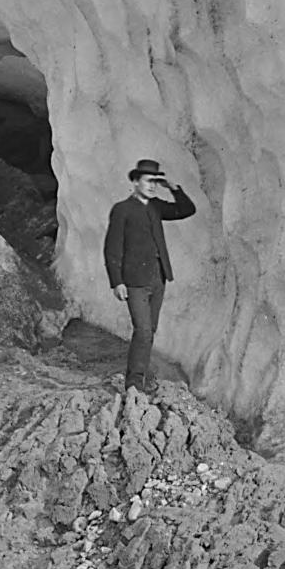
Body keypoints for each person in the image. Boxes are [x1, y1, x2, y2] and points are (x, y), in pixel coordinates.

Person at [103, 158, 194, 395]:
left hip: (158, 278)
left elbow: (187, 210)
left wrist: (173, 187)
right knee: (143, 330)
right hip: (134, 282)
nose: (152, 185)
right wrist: (117, 282)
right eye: (148, 181)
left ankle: (139, 377)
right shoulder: (122, 209)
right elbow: (112, 248)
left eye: (155, 181)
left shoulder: (155, 207)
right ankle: (133, 383)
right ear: (135, 181)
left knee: (149, 330)